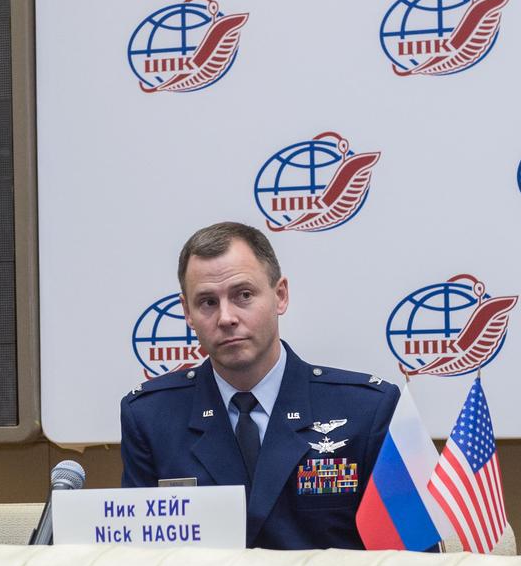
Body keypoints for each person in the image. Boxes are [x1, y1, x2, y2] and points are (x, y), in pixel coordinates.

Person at [121, 222, 400, 549]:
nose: (226, 317)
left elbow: (410, 565)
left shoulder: (365, 410)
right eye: (208, 302)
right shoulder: (152, 418)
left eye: (243, 295)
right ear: (187, 312)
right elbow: (139, 564)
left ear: (279, 296)